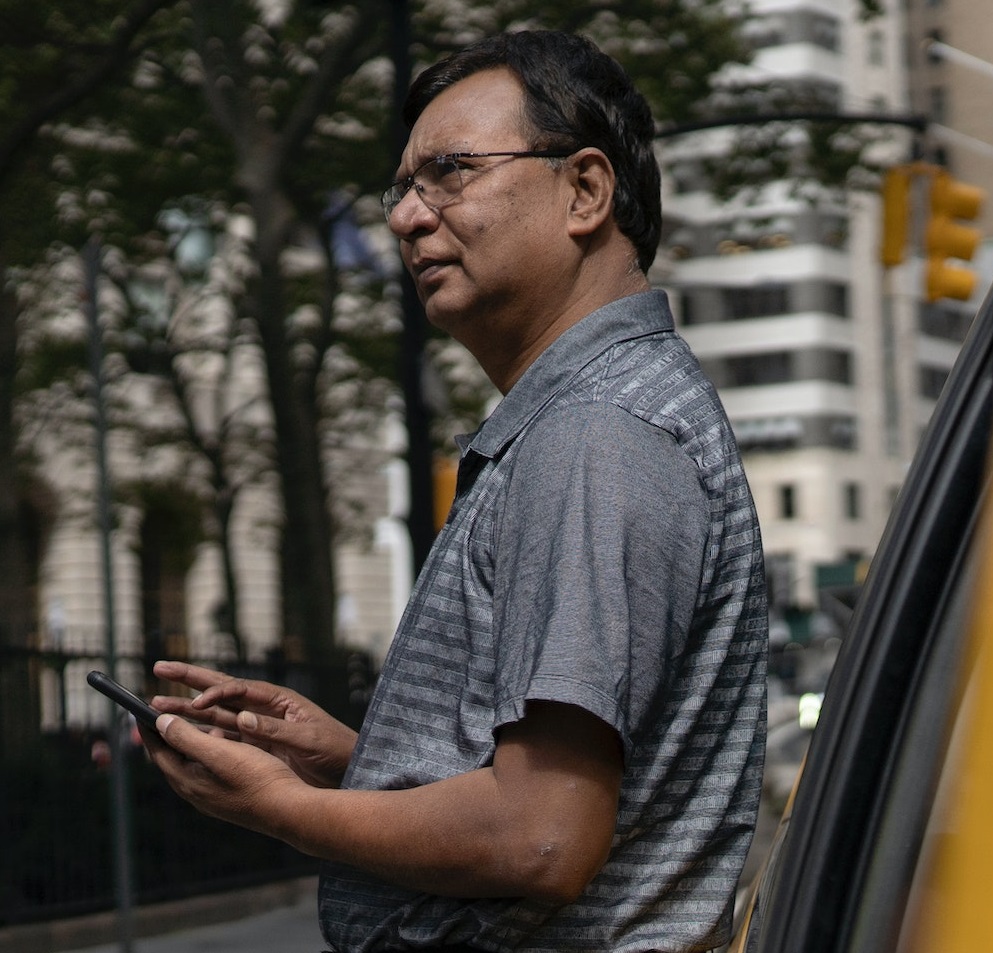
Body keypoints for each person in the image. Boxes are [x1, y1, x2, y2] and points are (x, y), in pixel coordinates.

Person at [144, 29, 768, 953]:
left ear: (586, 191)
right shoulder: (598, 416)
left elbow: (541, 835)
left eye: (450, 172)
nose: (406, 217)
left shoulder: (595, 434)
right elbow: (583, 791)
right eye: (403, 187)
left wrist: (281, 809)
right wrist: (356, 761)